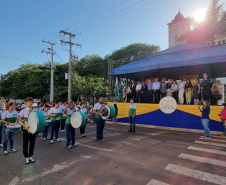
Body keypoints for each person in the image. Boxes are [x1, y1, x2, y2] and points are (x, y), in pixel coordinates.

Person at [19, 97, 36, 164]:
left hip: (33, 130)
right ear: (26, 102)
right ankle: (26, 157)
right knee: (25, 144)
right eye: (29, 102)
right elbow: (20, 121)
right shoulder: (23, 111)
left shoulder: (34, 111)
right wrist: (25, 125)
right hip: (26, 130)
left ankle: (30, 156)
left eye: (32, 102)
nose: (31, 103)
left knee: (32, 143)